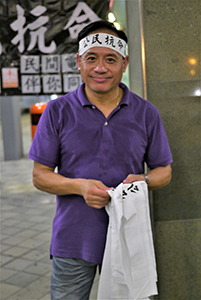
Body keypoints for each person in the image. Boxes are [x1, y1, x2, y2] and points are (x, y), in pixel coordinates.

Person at [28, 20, 172, 300]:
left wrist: (142, 180)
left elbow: (163, 171)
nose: (100, 67)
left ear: (125, 63)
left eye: (111, 59)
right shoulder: (57, 111)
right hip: (73, 239)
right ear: (79, 62)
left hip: (129, 239)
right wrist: (79, 187)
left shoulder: (146, 113)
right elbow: (40, 175)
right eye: (91, 58)